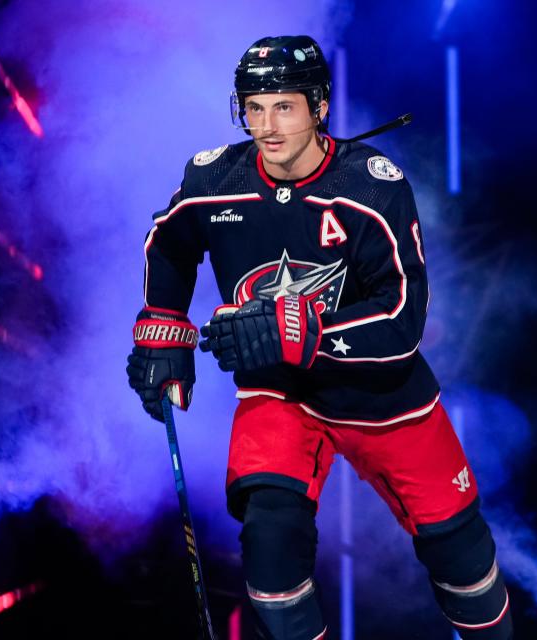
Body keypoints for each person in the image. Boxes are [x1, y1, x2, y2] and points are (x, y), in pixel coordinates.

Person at [127, 35, 513, 640]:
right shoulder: (214, 177)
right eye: (253, 107)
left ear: (319, 106)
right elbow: (170, 245)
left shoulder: (372, 187)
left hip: (387, 398)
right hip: (281, 397)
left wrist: (300, 331)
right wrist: (162, 330)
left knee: (461, 557)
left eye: (283, 106)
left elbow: (405, 317)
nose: (266, 125)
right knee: (270, 559)